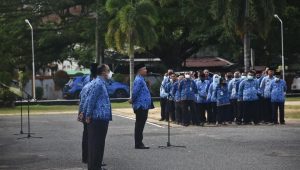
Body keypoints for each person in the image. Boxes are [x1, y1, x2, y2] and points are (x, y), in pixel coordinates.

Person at [85, 64, 113, 170]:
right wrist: (88, 115)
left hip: (101, 118)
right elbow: (91, 99)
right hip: (97, 118)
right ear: (103, 72)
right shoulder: (98, 83)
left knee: (98, 144)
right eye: (108, 70)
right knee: (96, 145)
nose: (110, 73)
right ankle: (94, 167)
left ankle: (96, 167)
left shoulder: (101, 83)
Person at [77, 63, 98, 164]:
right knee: (91, 136)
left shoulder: (86, 79)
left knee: (86, 135)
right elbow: (89, 99)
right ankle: (91, 158)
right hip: (89, 111)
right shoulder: (94, 82)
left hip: (83, 109)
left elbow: (82, 96)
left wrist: (81, 112)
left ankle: (85, 157)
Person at [130, 63, 154, 149]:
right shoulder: (139, 80)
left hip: (143, 106)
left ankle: (139, 142)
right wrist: (132, 100)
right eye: (144, 69)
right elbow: (135, 92)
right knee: (140, 125)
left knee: (140, 125)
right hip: (140, 106)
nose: (146, 70)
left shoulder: (141, 79)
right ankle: (138, 143)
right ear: (139, 71)